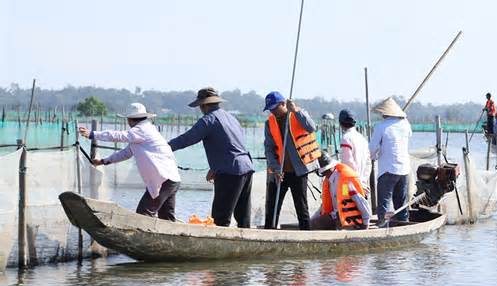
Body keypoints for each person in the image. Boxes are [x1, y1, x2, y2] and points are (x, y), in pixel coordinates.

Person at [168, 87, 255, 228]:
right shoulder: (231, 118)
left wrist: (163, 148)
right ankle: (247, 245)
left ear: (203, 105)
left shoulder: (208, 120)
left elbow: (187, 138)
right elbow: (232, 144)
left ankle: (220, 246)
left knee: (220, 218)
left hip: (230, 172)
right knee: (243, 215)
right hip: (246, 168)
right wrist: (215, 167)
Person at [78, 103, 181, 221]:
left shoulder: (141, 130)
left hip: (163, 180)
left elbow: (118, 136)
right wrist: (103, 161)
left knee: (143, 215)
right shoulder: (143, 132)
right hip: (171, 180)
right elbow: (126, 153)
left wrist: (92, 134)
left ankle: (141, 239)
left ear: (130, 120)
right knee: (166, 218)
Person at [263, 91, 320, 230]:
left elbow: (311, 127)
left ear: (283, 104)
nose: (273, 112)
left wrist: (295, 110)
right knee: (272, 206)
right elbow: (269, 148)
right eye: (270, 109)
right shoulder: (269, 123)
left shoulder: (297, 114)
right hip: (279, 172)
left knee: (301, 206)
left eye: (275, 108)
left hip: (298, 171)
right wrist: (275, 169)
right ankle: (269, 233)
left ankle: (306, 234)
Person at [369, 97, 412, 224]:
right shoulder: (406, 125)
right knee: (401, 202)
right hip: (404, 169)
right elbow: (409, 135)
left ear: (385, 113)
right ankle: (404, 224)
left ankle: (382, 225)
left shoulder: (381, 127)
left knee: (384, 203)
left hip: (387, 169)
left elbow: (372, 149)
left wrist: (373, 157)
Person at [310, 151, 371, 230]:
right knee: (313, 223)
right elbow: (323, 206)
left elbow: (359, 200)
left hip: (349, 220)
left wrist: (365, 223)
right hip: (335, 217)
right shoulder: (328, 182)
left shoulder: (344, 181)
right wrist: (310, 221)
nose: (325, 175)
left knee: (317, 223)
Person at [338, 109, 371, 194]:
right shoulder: (362, 138)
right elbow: (368, 162)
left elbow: (347, 164)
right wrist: (363, 180)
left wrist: (358, 181)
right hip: (362, 183)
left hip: (349, 184)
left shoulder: (345, 139)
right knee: (362, 206)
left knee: (345, 204)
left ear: (341, 123)